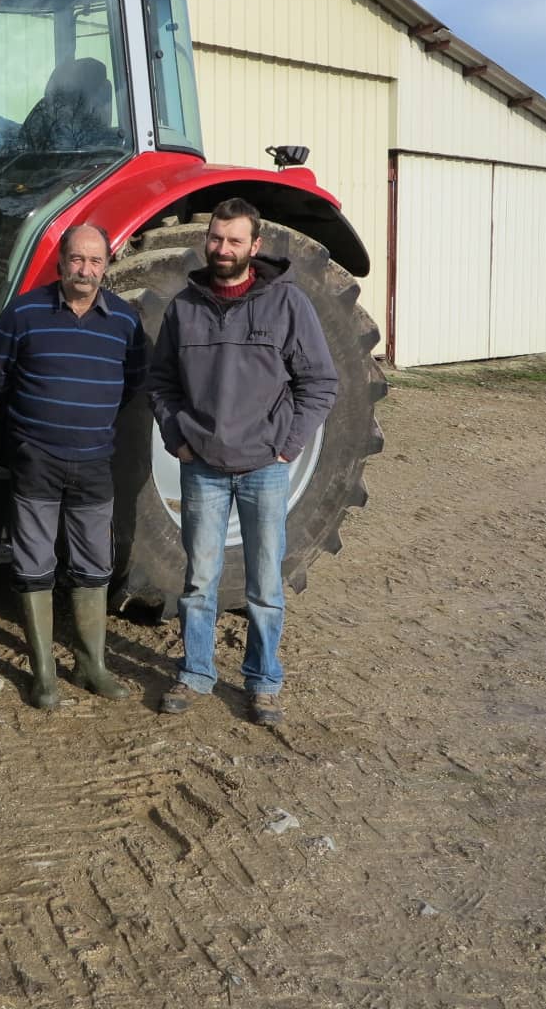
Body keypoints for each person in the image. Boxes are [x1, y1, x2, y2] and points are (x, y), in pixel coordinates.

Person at [146, 198, 338, 726]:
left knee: (264, 585)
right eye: (216, 238)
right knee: (199, 580)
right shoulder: (185, 307)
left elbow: (320, 383)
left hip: (264, 468)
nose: (223, 249)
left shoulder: (287, 304)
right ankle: (196, 671)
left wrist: (287, 445)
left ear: (255, 245)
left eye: (234, 240)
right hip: (201, 466)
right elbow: (160, 383)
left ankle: (263, 680)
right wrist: (177, 437)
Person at [0, 223, 147, 708]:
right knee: (34, 564)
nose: (85, 269)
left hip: (95, 461)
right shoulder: (24, 313)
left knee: (94, 565)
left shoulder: (125, 321)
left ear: (106, 266)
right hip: (37, 459)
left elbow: (132, 383)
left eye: (95, 261)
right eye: (77, 259)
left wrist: (88, 422)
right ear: (61, 262)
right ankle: (43, 673)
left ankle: (90, 664)